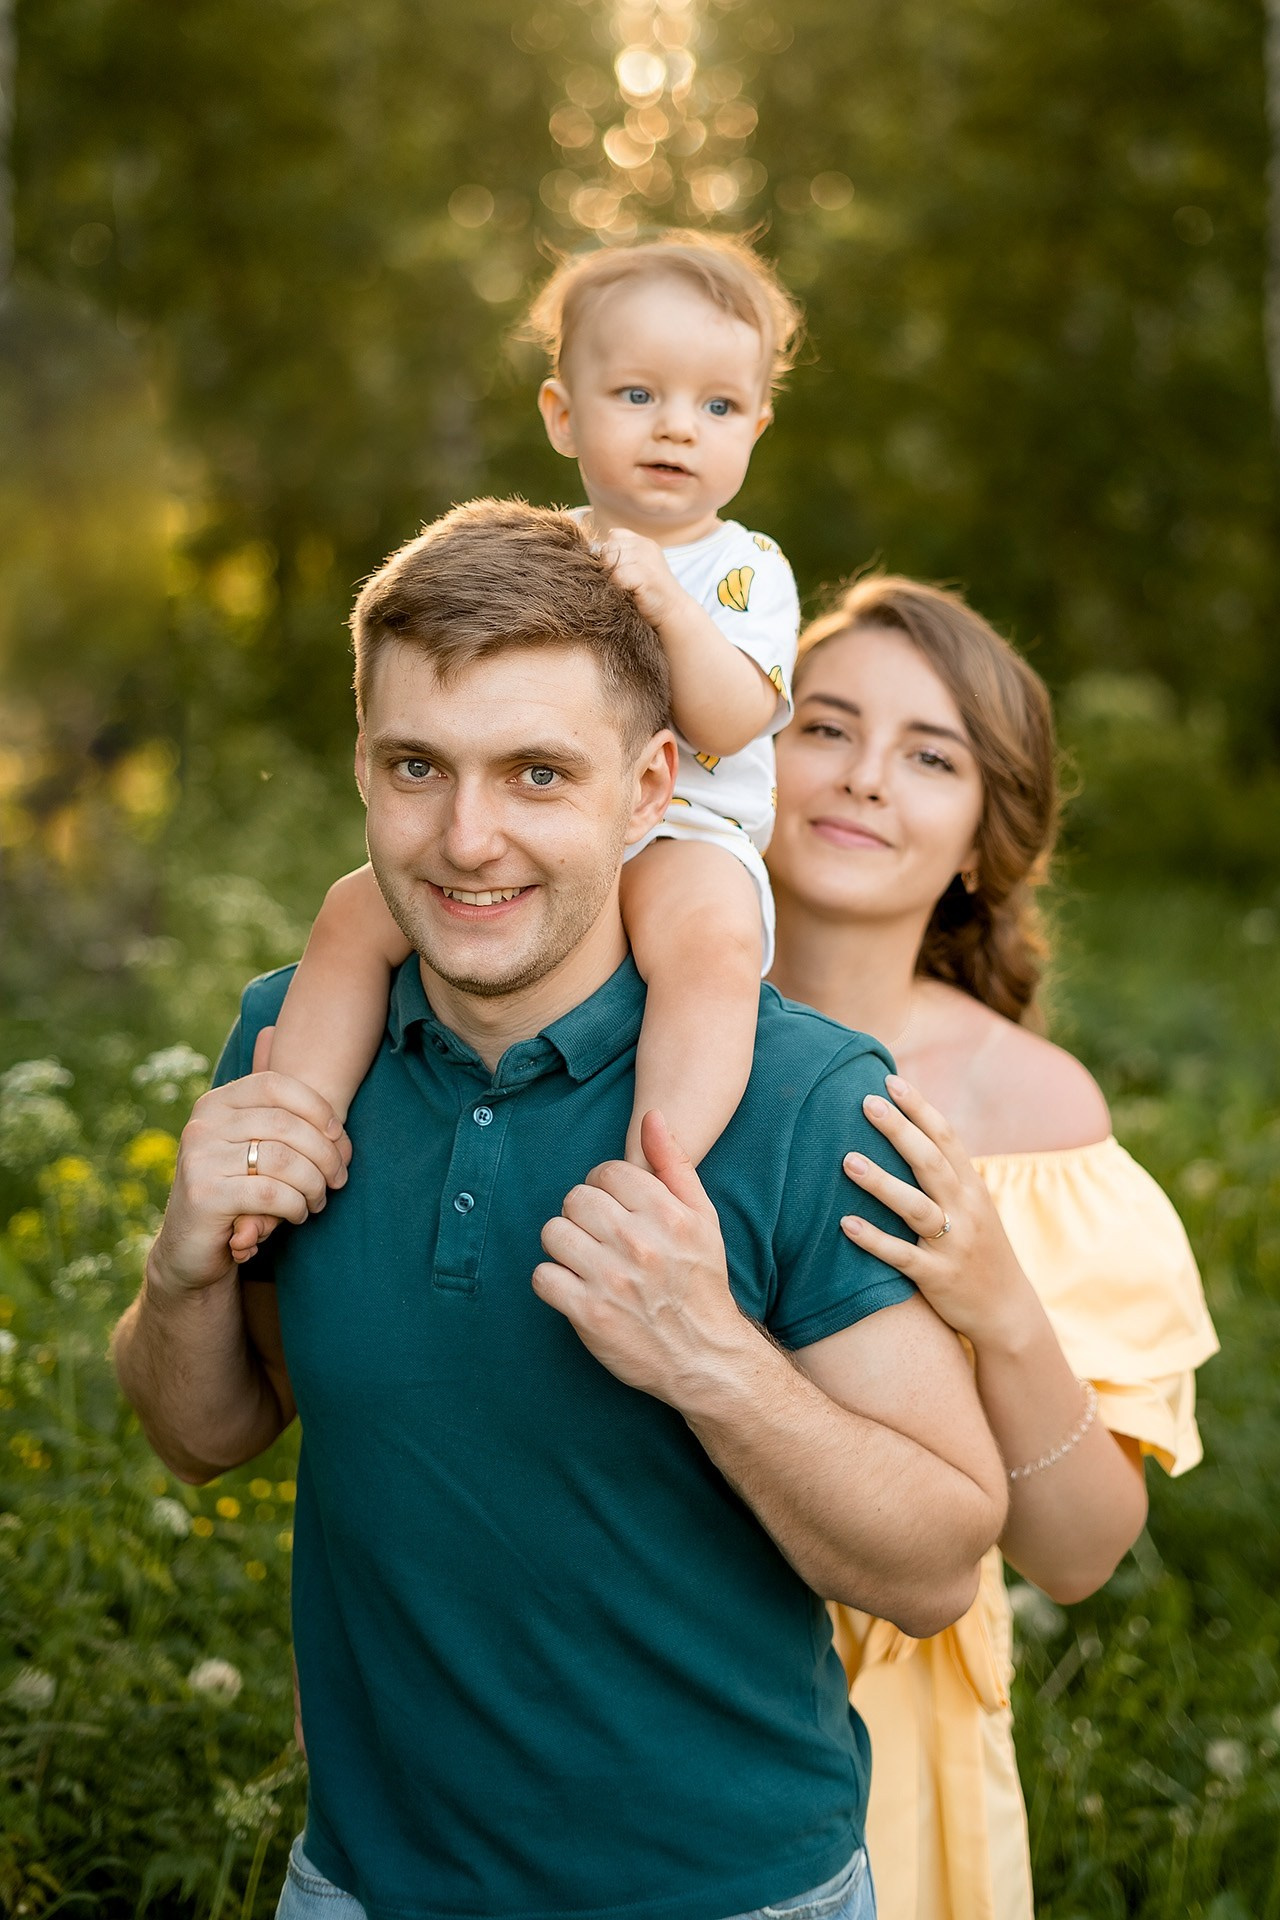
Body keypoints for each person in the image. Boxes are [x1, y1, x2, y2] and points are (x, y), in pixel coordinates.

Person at [112, 503, 1010, 1920]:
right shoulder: (299, 1051)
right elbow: (204, 1431)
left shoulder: (803, 1101)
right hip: (359, 1888)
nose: (468, 840)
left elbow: (940, 1562)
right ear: (362, 764)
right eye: (418, 767)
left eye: (537, 772)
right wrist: (179, 1273)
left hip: (731, 1895)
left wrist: (709, 1357)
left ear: (653, 783)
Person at [764, 574, 1219, 1920]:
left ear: (978, 836)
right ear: (748, 757)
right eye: (824, 728)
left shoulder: (1033, 1112)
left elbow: (1079, 1555)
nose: (863, 781)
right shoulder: (619, 1030)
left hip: (883, 1735)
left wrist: (999, 1301)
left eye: (929, 755)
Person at [233, 235, 801, 1272]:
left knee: (708, 945)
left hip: (685, 832)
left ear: (755, 427)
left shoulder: (743, 573)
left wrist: (665, 602)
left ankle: (652, 1172)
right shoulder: (543, 549)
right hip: (547, 822)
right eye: (636, 394)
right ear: (561, 414)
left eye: (717, 407)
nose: (677, 426)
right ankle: (291, 1130)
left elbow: (726, 725)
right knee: (350, 912)